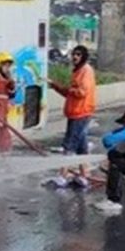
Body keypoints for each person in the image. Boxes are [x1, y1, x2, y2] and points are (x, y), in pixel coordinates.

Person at [47, 44, 97, 188]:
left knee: (69, 145)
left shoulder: (86, 71)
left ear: (84, 57)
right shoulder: (78, 71)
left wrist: (67, 89)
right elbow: (70, 93)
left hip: (80, 112)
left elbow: (81, 92)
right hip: (77, 112)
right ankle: (84, 175)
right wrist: (55, 85)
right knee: (81, 147)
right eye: (74, 54)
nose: (75, 57)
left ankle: (62, 176)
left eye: (78, 55)